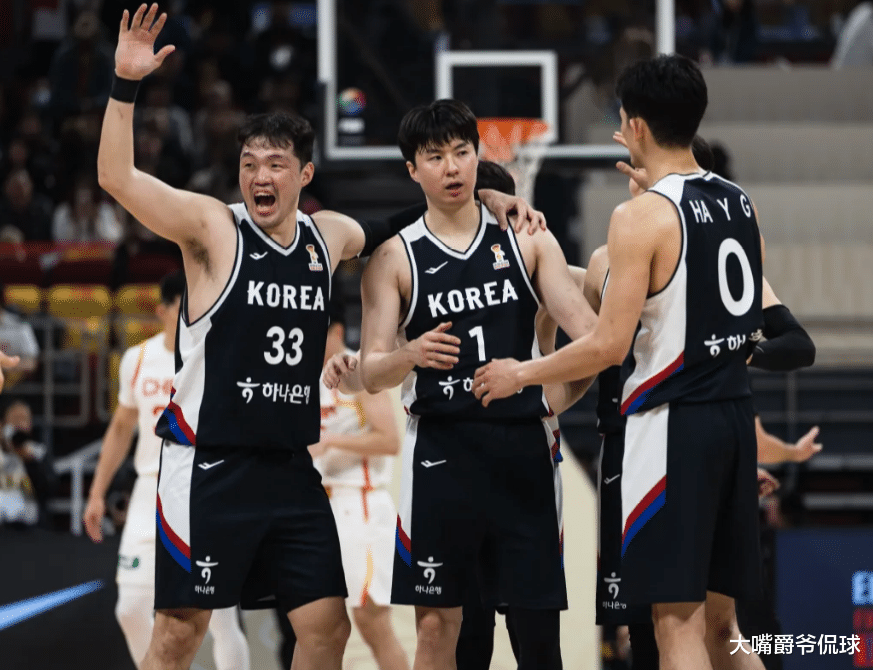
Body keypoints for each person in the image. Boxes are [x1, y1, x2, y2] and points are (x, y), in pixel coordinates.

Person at [96, 7, 539, 669]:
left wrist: (489, 201)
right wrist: (125, 84)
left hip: (288, 468)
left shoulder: (325, 236)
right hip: (209, 465)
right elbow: (116, 178)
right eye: (250, 164)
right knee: (178, 636)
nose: (260, 177)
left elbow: (401, 222)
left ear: (304, 176)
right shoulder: (212, 228)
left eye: (276, 165)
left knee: (328, 629)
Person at [475, 55, 768, 670]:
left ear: (633, 126)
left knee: (674, 626)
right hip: (735, 418)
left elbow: (608, 346)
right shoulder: (741, 202)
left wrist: (519, 373)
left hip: (675, 426)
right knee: (725, 631)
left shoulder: (638, 218)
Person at [358, 99, 597, 670]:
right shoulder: (394, 257)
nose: (452, 167)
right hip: (440, 454)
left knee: (537, 636)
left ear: (476, 155)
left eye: (462, 152)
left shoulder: (529, 238)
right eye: (435, 157)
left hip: (523, 454)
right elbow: (370, 372)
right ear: (413, 169)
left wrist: (541, 385)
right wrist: (410, 354)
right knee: (444, 630)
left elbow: (593, 338)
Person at [83, 271, 250, 670]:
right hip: (150, 490)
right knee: (129, 607)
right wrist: (97, 492)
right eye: (184, 306)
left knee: (220, 617)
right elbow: (121, 428)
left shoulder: (220, 355)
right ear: (163, 310)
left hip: (204, 489)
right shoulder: (137, 358)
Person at [309, 306, 410, 670]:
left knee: (372, 621)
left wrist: (331, 443)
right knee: (322, 625)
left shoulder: (356, 369)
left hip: (361, 506)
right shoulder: (310, 379)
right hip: (325, 508)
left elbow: (389, 440)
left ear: (336, 330)